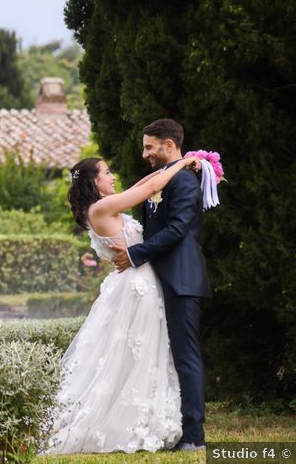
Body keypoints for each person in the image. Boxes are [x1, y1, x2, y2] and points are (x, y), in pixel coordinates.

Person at [44, 151, 200, 454]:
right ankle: (131, 423)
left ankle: (142, 417)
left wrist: (172, 165)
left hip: (137, 283)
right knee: (137, 353)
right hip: (136, 288)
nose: (112, 175)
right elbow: (143, 192)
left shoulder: (102, 206)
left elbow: (142, 185)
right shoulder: (101, 208)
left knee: (136, 353)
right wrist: (181, 164)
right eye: (106, 172)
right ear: (94, 182)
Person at [110, 118, 211, 451]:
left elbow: (178, 229)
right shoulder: (164, 178)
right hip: (161, 279)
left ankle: (195, 437)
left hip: (181, 279)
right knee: (168, 357)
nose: (144, 154)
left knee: (186, 357)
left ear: (169, 145)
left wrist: (135, 254)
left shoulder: (183, 181)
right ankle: (168, 426)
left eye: (149, 147)